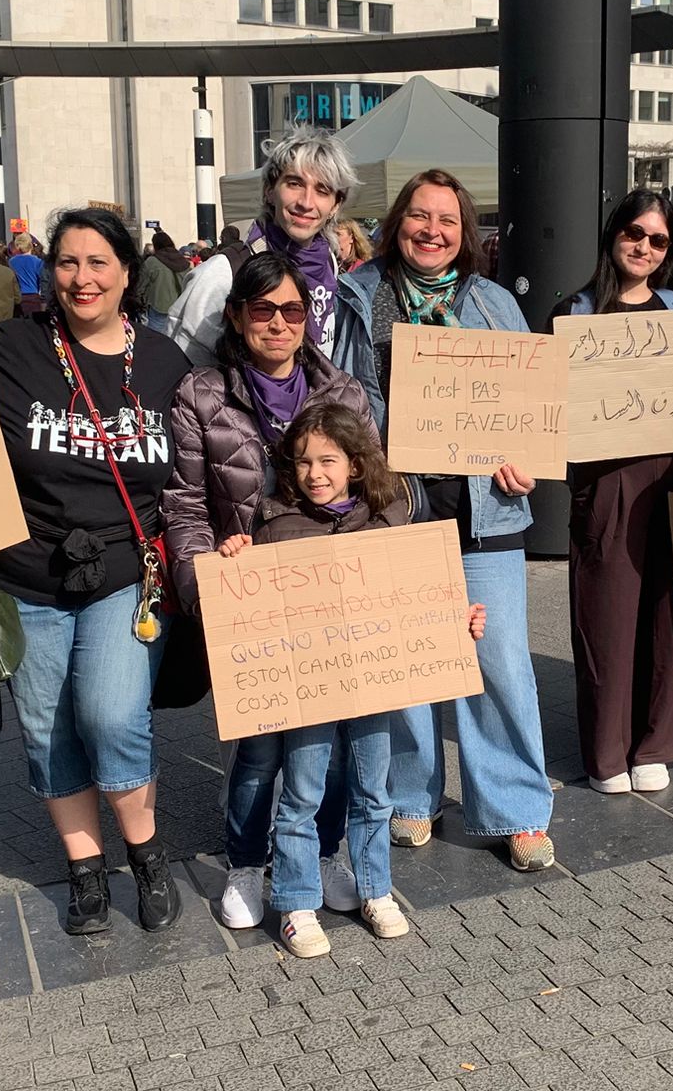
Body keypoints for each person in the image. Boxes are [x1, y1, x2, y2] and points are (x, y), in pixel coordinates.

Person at [0, 207, 191, 935]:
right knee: (48, 730)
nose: (83, 278)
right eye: (68, 263)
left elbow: (208, 452)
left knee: (111, 715)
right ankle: (85, 867)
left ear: (127, 274)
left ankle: (146, 853)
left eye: (98, 263)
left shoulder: (165, 363)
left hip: (126, 573)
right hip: (26, 574)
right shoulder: (10, 349)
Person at [331, 169, 558, 872]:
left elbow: (528, 405)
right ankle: (410, 795)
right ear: (397, 221)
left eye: (447, 220)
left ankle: (516, 806)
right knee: (410, 658)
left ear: (465, 232)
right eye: (419, 216)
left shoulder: (493, 302)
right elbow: (339, 398)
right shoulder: (358, 296)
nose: (432, 231)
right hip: (395, 507)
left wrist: (525, 461)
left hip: (486, 509)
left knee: (499, 663)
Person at [215, 403, 485, 957]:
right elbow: (248, 603)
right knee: (301, 796)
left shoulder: (388, 520)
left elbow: (419, 593)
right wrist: (235, 558)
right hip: (308, 692)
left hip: (372, 687)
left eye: (327, 461)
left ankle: (375, 890)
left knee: (374, 792)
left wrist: (456, 620)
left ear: (355, 465)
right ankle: (296, 903)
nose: (314, 473)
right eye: (302, 462)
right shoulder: (275, 527)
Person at [162, 252, 376, 930]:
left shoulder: (343, 392)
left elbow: (378, 489)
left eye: (292, 310)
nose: (278, 324)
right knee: (257, 749)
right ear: (236, 316)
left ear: (309, 316)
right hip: (247, 600)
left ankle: (324, 852)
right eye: (263, 309)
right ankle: (247, 862)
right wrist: (205, 583)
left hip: (330, 597)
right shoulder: (201, 394)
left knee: (330, 746)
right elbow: (185, 506)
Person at [550, 191, 673, 794]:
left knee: (668, 617)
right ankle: (607, 752)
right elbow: (546, 405)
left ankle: (654, 742)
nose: (644, 247)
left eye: (658, 239)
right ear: (613, 233)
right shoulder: (575, 312)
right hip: (605, 484)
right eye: (634, 233)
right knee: (607, 618)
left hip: (671, 480)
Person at [168, 126, 359, 367]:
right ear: (269, 190)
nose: (306, 202)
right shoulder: (224, 273)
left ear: (335, 205)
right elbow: (182, 370)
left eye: (322, 190)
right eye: (294, 183)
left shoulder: (327, 263)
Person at [142, 231, 186, 315]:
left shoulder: (152, 261)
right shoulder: (183, 261)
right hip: (180, 307)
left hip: (158, 306)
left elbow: (141, 283)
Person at [8, 232, 45, 317]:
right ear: (30, 245)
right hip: (33, 296)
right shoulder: (38, 261)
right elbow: (42, 280)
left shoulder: (11, 262)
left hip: (18, 297)